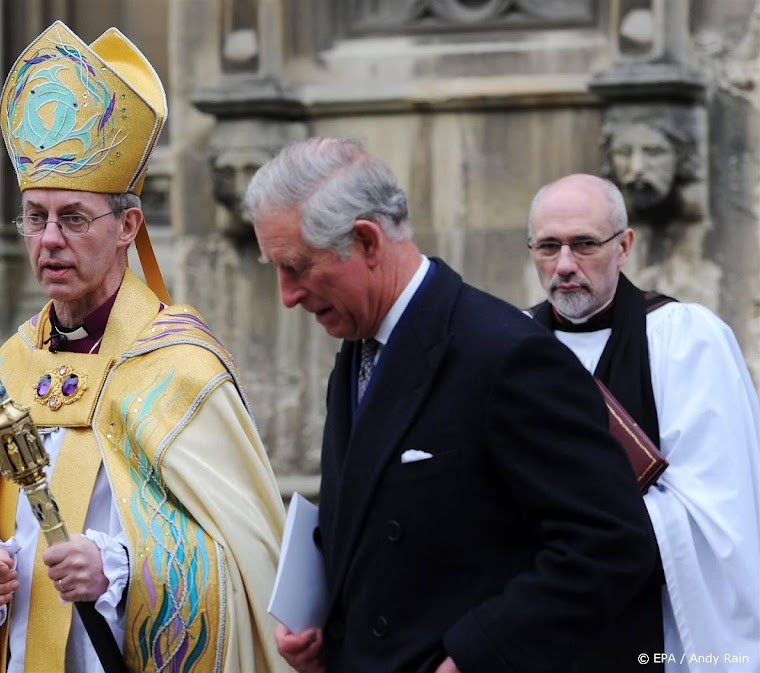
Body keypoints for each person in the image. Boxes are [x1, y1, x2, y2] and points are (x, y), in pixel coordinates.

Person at [0, 21, 289, 673]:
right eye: (35, 217)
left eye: (73, 217)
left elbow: (247, 572)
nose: (49, 240)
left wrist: (122, 572)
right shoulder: (7, 371)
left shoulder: (181, 369)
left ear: (127, 226)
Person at [242, 137, 659, 673]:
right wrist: (324, 621)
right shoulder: (356, 349)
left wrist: (476, 656)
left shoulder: (508, 355)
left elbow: (610, 544)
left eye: (297, 267)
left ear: (367, 242)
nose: (287, 295)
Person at [526, 173, 760, 672]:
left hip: (651, 627)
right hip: (537, 625)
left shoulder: (686, 340)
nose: (564, 265)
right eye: (548, 247)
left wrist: (585, 532)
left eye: (584, 244)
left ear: (624, 246)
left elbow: (718, 511)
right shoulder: (509, 345)